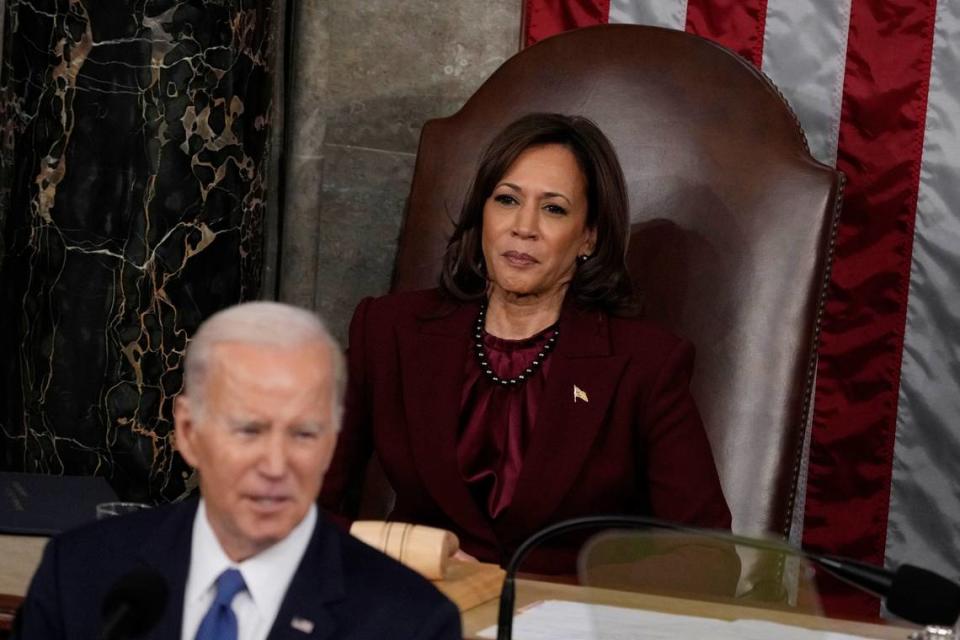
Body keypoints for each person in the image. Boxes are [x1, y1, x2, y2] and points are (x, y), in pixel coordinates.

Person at [320, 113, 732, 573]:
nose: (524, 226)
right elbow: (299, 509)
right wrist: (393, 553)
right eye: (507, 200)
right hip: (416, 607)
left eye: (553, 208)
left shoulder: (646, 365)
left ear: (589, 236)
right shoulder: (389, 330)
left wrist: (580, 603)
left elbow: (708, 558)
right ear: (483, 213)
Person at [14, 302, 461, 640]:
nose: (274, 465)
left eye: (304, 434)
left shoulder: (410, 622)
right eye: (248, 431)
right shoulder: (81, 573)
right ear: (188, 432)